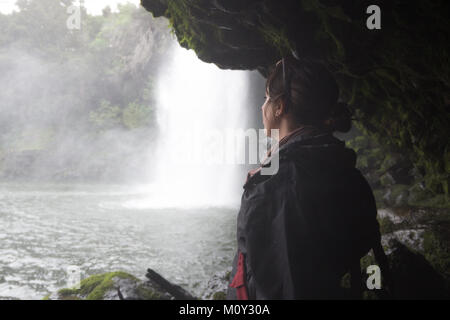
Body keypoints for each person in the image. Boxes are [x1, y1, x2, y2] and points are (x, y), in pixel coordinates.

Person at [226, 57, 390, 300]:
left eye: (266, 100)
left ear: (279, 106)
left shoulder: (282, 181)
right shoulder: (338, 166)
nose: (262, 108)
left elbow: (288, 282)